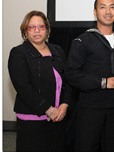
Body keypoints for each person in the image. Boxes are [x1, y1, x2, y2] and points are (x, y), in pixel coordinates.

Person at [65, 0, 114, 152]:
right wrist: (104, 82)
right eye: (103, 7)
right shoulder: (83, 40)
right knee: (87, 149)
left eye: (112, 7)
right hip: (91, 108)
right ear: (95, 12)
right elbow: (71, 74)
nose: (108, 11)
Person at [8, 10, 72, 151]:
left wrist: (65, 104)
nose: (37, 30)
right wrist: (48, 110)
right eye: (31, 27)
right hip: (32, 120)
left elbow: (67, 81)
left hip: (58, 119)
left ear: (47, 30)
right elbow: (23, 87)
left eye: (41, 27)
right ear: (25, 31)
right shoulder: (19, 53)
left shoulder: (58, 50)